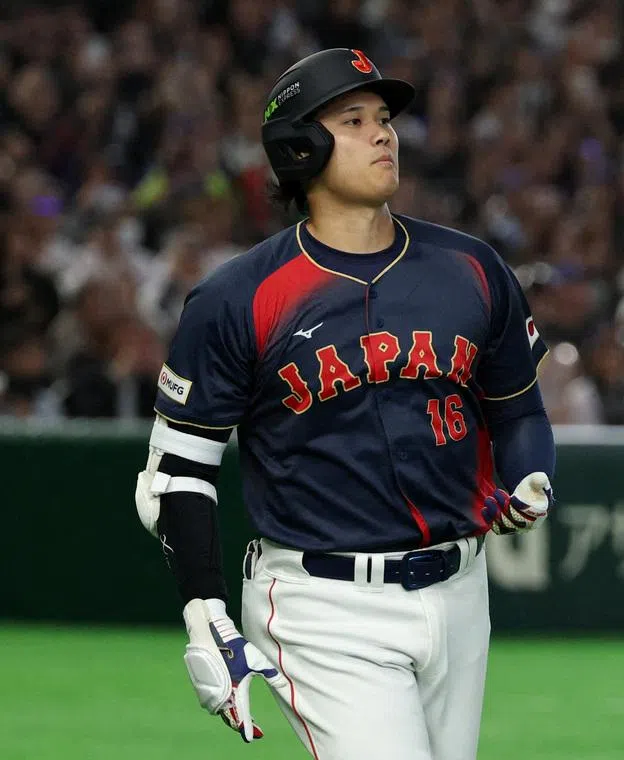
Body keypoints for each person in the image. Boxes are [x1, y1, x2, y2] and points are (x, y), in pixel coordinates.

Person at [133, 48, 556, 760]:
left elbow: (518, 410)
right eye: (354, 120)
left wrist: (529, 475)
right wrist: (203, 608)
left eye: (384, 118)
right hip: (321, 604)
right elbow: (176, 472)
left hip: (459, 592)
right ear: (300, 146)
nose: (383, 133)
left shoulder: (470, 268)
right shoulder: (240, 297)